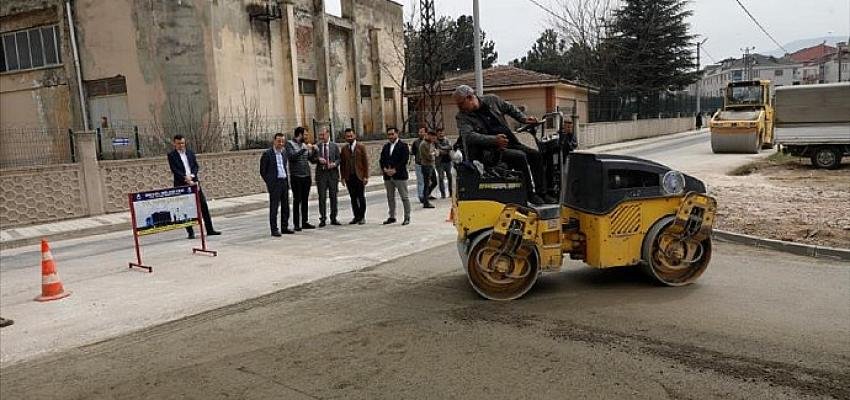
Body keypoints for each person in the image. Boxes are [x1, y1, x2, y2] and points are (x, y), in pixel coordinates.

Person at [453, 84, 555, 205]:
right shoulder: (462, 117)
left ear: (470, 97)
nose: (460, 108)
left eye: (460, 104)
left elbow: (509, 108)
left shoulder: (492, 100)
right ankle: (529, 194)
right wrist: (494, 140)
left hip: (510, 142)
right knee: (519, 156)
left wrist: (523, 119)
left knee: (535, 155)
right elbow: (469, 136)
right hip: (490, 152)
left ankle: (542, 193)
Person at [167, 135, 221, 239]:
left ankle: (210, 229)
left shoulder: (190, 153)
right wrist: (186, 179)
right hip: (181, 184)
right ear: (174, 144)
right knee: (185, 208)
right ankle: (190, 232)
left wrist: (192, 177)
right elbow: (174, 170)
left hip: (194, 182)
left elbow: (196, 166)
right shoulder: (171, 155)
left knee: (203, 205)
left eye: (182, 143)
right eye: (178, 143)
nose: (181, 145)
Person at [260, 133, 294, 236]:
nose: (281, 143)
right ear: (274, 141)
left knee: (286, 206)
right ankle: (274, 229)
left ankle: (284, 226)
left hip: (283, 181)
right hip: (275, 183)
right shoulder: (267, 154)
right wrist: (270, 182)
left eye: (283, 141)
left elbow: (284, 166)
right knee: (274, 207)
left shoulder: (284, 153)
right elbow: (263, 171)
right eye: (279, 141)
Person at [379, 127, 411, 225]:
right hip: (388, 176)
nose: (391, 136)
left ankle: (407, 217)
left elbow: (404, 160)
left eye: (392, 134)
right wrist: (384, 169)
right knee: (390, 197)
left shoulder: (403, 146)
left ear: (397, 134)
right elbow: (382, 159)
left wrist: (395, 170)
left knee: (404, 197)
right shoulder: (386, 147)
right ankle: (392, 216)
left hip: (400, 175)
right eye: (389, 134)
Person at [286, 127, 316, 231]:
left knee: (305, 200)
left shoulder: (304, 145)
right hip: (296, 177)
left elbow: (311, 160)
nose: (307, 137)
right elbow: (292, 158)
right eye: (305, 135)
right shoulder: (289, 144)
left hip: (306, 176)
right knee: (297, 200)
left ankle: (305, 221)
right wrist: (304, 149)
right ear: (299, 134)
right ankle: (296, 223)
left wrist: (314, 151)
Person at [311, 128, 341, 227]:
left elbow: (339, 159)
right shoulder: (317, 147)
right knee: (322, 197)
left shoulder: (334, 146)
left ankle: (334, 217)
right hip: (321, 175)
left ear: (328, 134)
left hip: (332, 175)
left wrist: (334, 164)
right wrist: (318, 158)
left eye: (323, 135)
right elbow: (312, 159)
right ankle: (322, 218)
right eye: (320, 135)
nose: (321, 137)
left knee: (333, 197)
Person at [339, 128, 369, 224]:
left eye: (351, 136)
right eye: (347, 136)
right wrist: (342, 177)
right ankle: (356, 216)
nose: (349, 138)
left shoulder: (361, 147)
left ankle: (362, 216)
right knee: (353, 198)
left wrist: (366, 176)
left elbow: (365, 162)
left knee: (361, 197)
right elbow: (342, 164)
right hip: (349, 176)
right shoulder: (344, 149)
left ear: (354, 136)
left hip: (359, 176)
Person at [418, 131, 438, 209]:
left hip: (431, 165)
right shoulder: (424, 144)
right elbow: (428, 156)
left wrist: (434, 153)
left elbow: (435, 152)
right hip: (426, 165)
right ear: (428, 136)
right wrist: (434, 154)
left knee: (435, 182)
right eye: (432, 137)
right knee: (426, 184)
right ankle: (426, 201)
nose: (434, 139)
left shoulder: (431, 143)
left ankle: (425, 196)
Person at [409, 127, 428, 203]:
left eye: (422, 132)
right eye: (419, 132)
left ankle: (426, 194)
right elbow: (413, 152)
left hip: (428, 164)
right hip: (419, 164)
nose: (420, 133)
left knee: (428, 181)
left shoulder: (429, 141)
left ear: (426, 133)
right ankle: (421, 196)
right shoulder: (416, 142)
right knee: (420, 181)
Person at [435, 128, 453, 198]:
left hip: (448, 161)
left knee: (450, 177)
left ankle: (451, 192)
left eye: (442, 132)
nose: (441, 134)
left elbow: (450, 147)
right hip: (439, 163)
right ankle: (443, 194)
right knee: (441, 178)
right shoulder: (435, 142)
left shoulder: (447, 140)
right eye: (439, 133)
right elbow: (436, 151)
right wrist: (444, 151)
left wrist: (441, 148)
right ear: (437, 133)